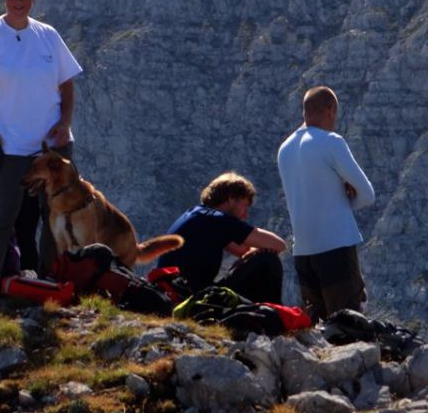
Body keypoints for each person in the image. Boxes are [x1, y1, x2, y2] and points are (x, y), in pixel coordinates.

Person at [0, 0, 82, 299]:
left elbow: (67, 84)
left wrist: (66, 122)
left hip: (54, 149)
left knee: (57, 217)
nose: (18, 1)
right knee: (2, 218)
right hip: (10, 147)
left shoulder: (48, 35)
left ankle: (51, 287)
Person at [277, 85, 375, 322]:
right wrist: (344, 200)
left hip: (303, 254)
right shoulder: (332, 142)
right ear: (330, 110)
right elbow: (367, 194)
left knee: (316, 327)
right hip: (336, 249)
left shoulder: (284, 149)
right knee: (347, 325)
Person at [157, 172, 287, 303]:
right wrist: (260, 251)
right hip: (191, 296)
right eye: (245, 205)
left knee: (261, 258)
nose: (245, 215)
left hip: (174, 293)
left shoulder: (199, 214)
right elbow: (278, 244)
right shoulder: (219, 219)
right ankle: (274, 313)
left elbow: (243, 250)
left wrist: (255, 251)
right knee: (268, 260)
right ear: (231, 198)